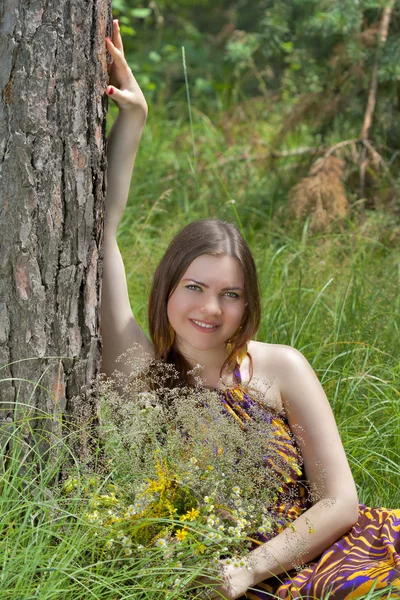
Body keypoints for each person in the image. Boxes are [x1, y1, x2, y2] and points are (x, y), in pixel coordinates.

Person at [101, 20, 400, 599]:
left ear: (248, 302)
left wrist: (249, 570)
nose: (210, 308)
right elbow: (105, 232)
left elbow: (340, 501)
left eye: (230, 294)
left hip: (325, 556)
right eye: (194, 286)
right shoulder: (139, 366)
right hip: (213, 575)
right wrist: (134, 118)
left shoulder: (281, 367)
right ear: (166, 285)